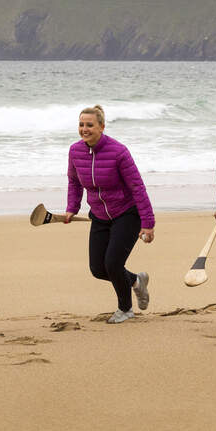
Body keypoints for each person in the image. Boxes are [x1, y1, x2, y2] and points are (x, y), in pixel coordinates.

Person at [58, 105, 155, 323]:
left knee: (113, 264)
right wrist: (72, 208)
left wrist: (148, 223)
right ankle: (136, 281)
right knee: (98, 268)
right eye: (81, 124)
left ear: (102, 126)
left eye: (90, 125)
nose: (85, 129)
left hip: (126, 214)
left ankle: (125, 309)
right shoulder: (75, 151)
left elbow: (137, 187)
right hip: (100, 215)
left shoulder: (118, 151)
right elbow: (74, 182)